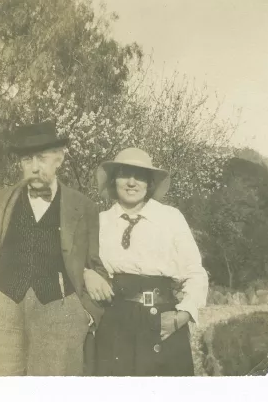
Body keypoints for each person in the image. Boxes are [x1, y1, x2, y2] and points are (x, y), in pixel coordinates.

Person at [0, 121, 108, 376]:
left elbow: (98, 266)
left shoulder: (84, 207)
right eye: (27, 160)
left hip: (59, 315)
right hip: (0, 310)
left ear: (59, 159)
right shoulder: (1, 200)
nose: (35, 167)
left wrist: (84, 315)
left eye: (42, 158)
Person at [83, 147, 208, 376]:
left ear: (149, 183)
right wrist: (86, 273)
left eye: (139, 176)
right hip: (115, 322)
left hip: (163, 321)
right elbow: (78, 261)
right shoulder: (99, 222)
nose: (132, 182)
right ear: (114, 180)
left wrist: (182, 316)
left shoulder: (170, 218)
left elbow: (195, 272)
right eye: (124, 174)